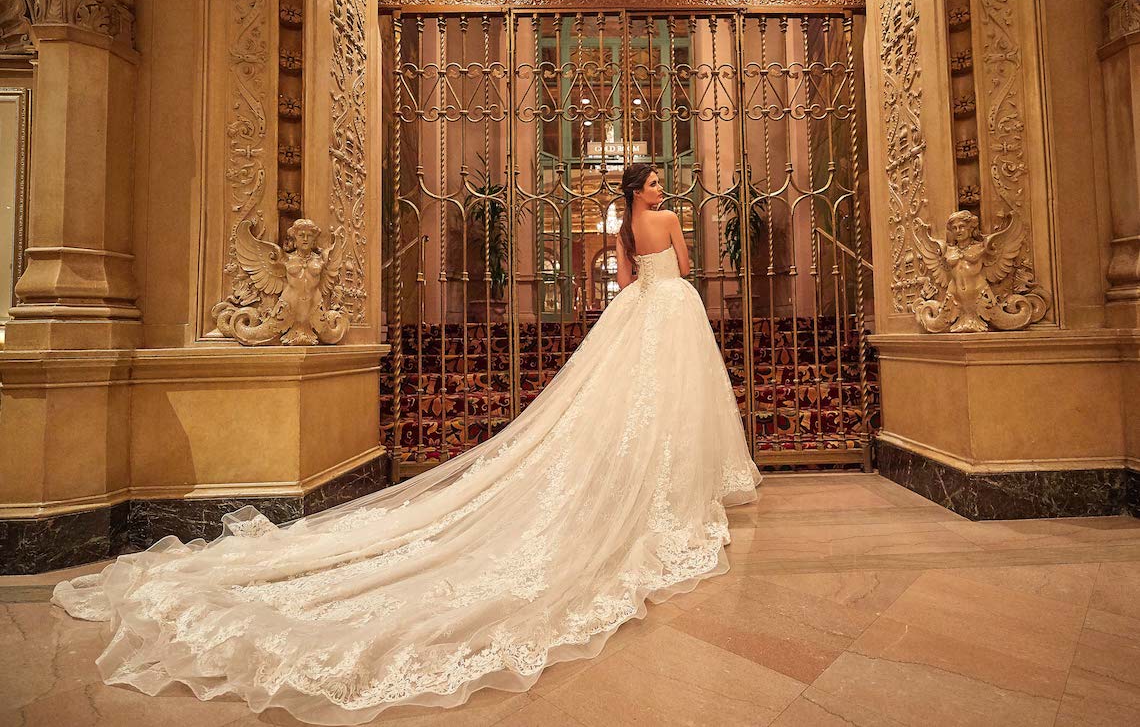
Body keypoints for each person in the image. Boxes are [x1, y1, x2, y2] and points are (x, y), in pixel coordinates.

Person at [52, 162, 763, 725]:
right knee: (668, 400)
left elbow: (626, 281)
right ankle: (669, 484)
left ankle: (653, 476)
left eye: (659, 184)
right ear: (643, 190)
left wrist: (642, 295)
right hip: (672, 311)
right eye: (655, 183)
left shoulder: (622, 227)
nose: (661, 190)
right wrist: (674, 286)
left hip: (637, 313)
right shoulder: (670, 220)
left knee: (633, 400)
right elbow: (681, 267)